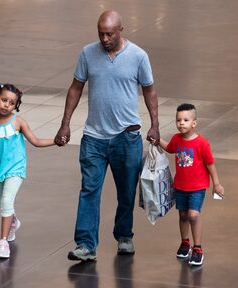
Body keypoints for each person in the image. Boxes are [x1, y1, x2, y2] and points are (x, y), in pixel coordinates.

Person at [54, 10, 160, 261]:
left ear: (121, 31)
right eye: (100, 33)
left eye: (109, 34)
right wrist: (65, 124)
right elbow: (75, 88)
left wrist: (155, 125)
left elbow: (150, 91)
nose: (104, 39)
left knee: (126, 191)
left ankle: (124, 236)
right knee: (89, 190)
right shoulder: (87, 53)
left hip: (127, 137)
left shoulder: (138, 56)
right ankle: (86, 245)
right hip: (94, 137)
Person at [0, 84, 63, 259]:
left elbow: (36, 141)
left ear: (15, 106)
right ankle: (13, 222)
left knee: (7, 201)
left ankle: (3, 243)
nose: (6, 105)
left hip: (15, 169)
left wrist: (56, 141)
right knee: (3, 204)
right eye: (3, 100)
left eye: (11, 103)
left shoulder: (18, 122)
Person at [158, 103, 225, 266]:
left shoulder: (202, 143)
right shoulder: (176, 139)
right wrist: (157, 139)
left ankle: (198, 248)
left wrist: (216, 184)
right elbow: (170, 148)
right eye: (178, 120)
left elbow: (210, 164)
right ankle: (185, 243)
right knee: (182, 215)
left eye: (186, 120)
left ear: (194, 123)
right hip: (180, 186)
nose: (181, 123)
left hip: (197, 187)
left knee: (193, 215)